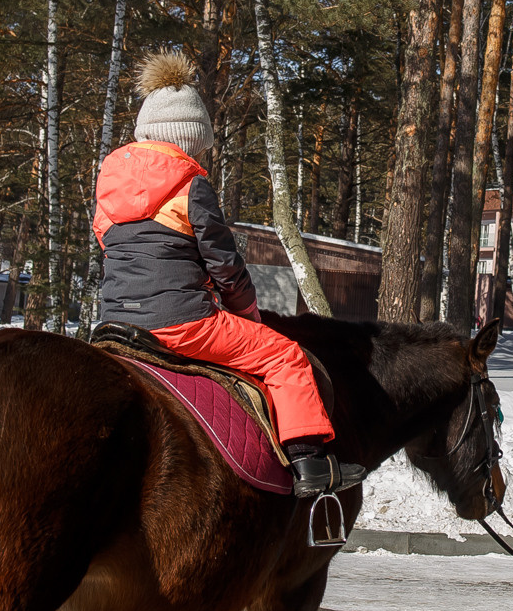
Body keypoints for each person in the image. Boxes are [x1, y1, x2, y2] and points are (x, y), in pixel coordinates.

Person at [94, 50, 362, 499]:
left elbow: (108, 246)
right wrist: (247, 313)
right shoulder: (189, 183)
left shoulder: (109, 181)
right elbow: (224, 264)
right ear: (191, 138)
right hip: (182, 324)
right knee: (285, 357)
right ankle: (310, 465)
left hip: (116, 322)